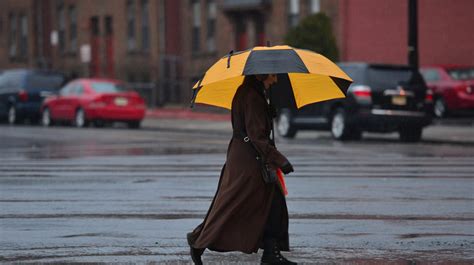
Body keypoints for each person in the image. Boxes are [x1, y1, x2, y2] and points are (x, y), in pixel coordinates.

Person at [187, 74, 297, 265]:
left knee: (273, 203)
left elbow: (254, 128)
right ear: (262, 75)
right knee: (232, 205)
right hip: (249, 161)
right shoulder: (252, 96)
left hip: (246, 156)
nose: (275, 79)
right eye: (273, 75)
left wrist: (268, 114)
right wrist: (280, 160)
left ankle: (271, 253)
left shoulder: (253, 93)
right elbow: (256, 136)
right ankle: (198, 242)